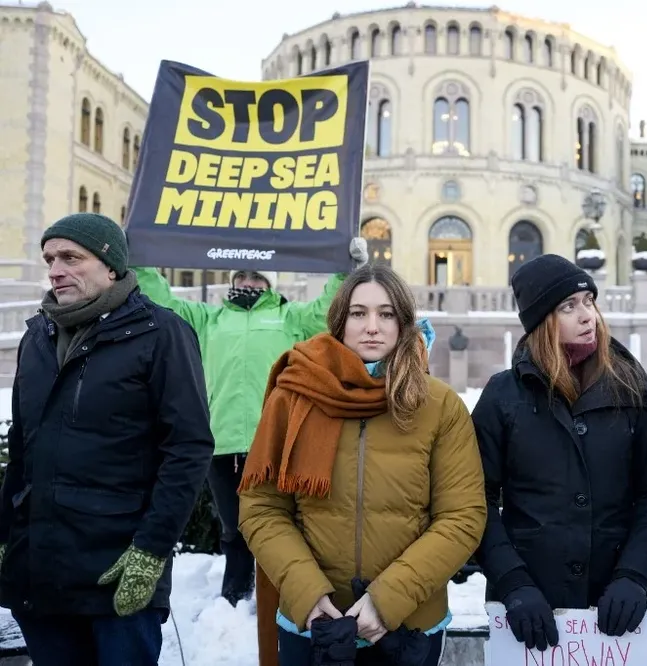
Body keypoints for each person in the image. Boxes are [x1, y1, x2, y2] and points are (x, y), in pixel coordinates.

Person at [238, 263, 486, 666]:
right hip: (314, 625)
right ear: (340, 321)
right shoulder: (294, 395)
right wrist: (308, 595)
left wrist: (387, 600)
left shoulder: (439, 405)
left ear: (403, 322)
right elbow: (262, 508)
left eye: (386, 314)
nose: (372, 327)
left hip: (407, 628)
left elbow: (462, 517)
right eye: (358, 313)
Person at [0, 213, 215, 665]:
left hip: (117, 570)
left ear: (111, 266)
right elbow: (22, 448)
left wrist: (151, 550)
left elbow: (187, 448)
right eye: (50, 259)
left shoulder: (161, 333)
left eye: (71, 257)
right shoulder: (36, 337)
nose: (56, 270)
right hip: (41, 572)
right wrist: (5, 535)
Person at [132, 237, 367, 607]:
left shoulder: (290, 318)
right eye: (241, 276)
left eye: (256, 277)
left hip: (275, 441)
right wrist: (139, 258)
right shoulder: (208, 320)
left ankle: (283, 597)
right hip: (221, 441)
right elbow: (163, 301)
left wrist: (345, 270)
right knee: (234, 525)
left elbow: (329, 309)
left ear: (269, 283)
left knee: (279, 525)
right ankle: (236, 598)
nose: (248, 282)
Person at [472, 254, 647, 652]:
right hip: (528, 614)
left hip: (611, 616)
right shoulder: (503, 395)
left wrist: (634, 576)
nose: (588, 316)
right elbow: (474, 498)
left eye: (589, 301)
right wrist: (512, 582)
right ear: (541, 320)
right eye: (569, 306)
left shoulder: (630, 387)